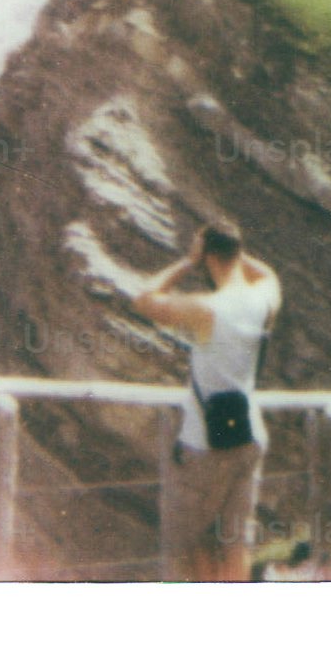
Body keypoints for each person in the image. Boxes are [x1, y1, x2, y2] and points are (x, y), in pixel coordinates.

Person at [131, 223, 281, 582]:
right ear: (238, 254)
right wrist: (235, 250)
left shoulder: (206, 308)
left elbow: (144, 298)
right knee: (235, 544)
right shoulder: (263, 299)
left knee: (187, 546)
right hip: (249, 437)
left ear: (208, 256)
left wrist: (188, 260)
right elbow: (269, 275)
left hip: (205, 445)